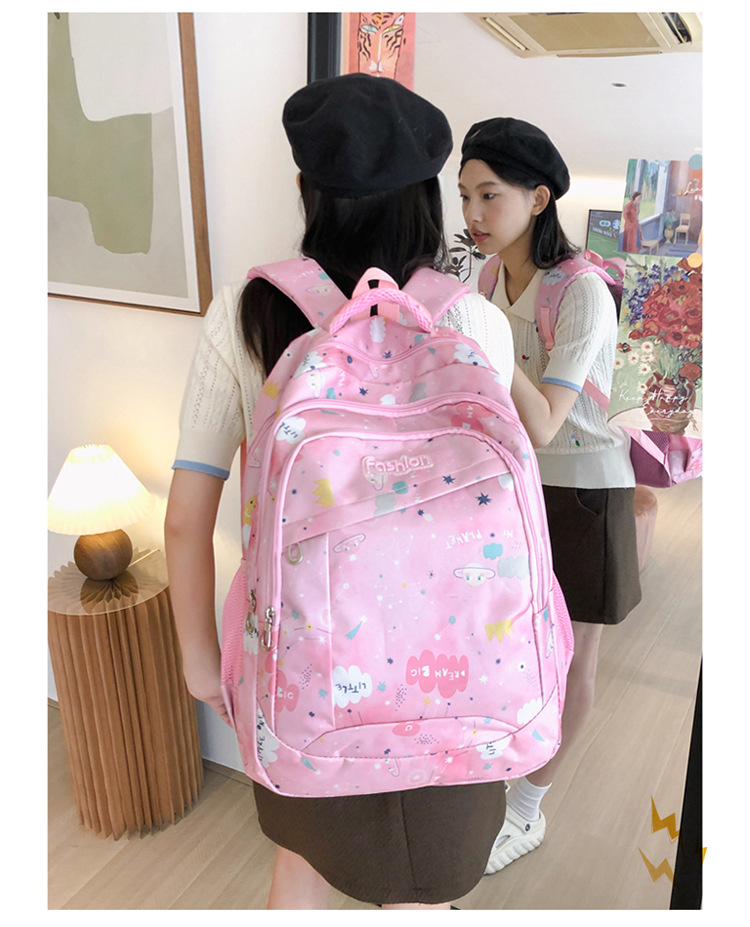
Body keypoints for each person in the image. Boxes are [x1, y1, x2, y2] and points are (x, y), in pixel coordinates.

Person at [165, 74, 517, 910]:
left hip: (300, 668)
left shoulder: (246, 311)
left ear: (306, 188)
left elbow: (185, 519)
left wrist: (201, 661)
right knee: (426, 889)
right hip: (459, 669)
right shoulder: (473, 323)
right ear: (427, 196)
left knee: (301, 862)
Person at [458, 117, 642, 874]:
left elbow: (543, 422)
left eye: (489, 195)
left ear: (537, 199)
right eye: (464, 196)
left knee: (572, 664)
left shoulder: (582, 290)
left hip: (587, 493)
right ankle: (498, 777)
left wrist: (481, 335)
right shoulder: (485, 281)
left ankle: (527, 810)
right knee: (509, 649)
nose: (473, 213)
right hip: (514, 490)